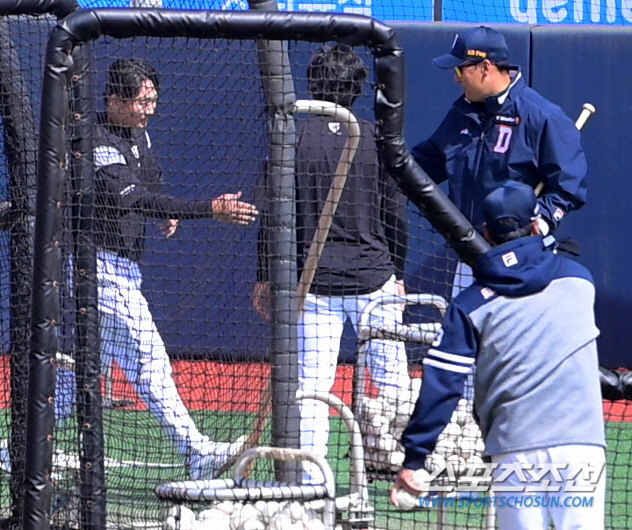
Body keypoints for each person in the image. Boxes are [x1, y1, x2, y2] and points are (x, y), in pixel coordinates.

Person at [0, 58, 258, 481]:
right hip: (99, 270)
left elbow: (150, 178)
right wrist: (207, 209)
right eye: (140, 101)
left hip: (121, 269)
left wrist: (165, 207)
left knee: (85, 374)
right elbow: (131, 200)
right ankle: (197, 452)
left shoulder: (138, 131)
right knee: (150, 362)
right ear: (114, 100)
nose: (149, 108)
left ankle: (16, 448)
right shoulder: (93, 141)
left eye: (153, 100)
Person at [390, 180, 606, 530]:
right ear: (536, 225)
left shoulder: (469, 306)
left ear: (487, 233)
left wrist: (416, 458)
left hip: (515, 450)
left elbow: (442, 385)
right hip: (582, 447)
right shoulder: (581, 281)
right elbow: (539, 265)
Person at [252, 43, 410, 484]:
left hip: (314, 286)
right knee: (394, 382)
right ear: (355, 89)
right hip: (373, 280)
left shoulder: (293, 137)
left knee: (312, 391)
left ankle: (312, 486)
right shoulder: (378, 137)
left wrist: (264, 275)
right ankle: (411, 470)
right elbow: (396, 216)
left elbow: (270, 215)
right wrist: (397, 270)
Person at [411, 25, 587, 294]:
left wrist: (542, 220)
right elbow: (422, 166)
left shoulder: (541, 116)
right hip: (470, 254)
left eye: (460, 70)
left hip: (522, 257)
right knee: (468, 331)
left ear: (485, 67)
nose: (456, 79)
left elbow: (568, 186)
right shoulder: (462, 114)